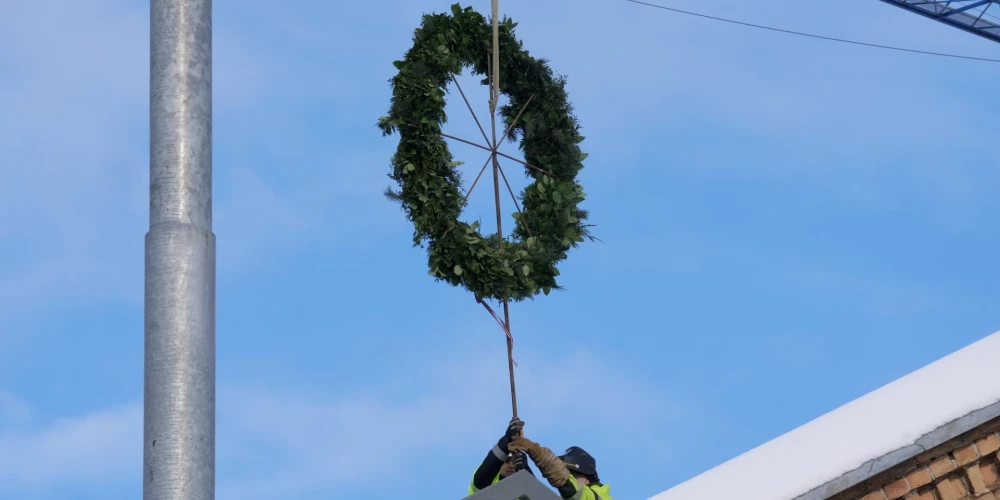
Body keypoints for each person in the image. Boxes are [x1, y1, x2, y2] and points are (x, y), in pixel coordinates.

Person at [509, 435, 614, 500]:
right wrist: (524, 471)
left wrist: (536, 451)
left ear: (586, 478)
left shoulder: (601, 498)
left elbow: (569, 485)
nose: (569, 477)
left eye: (572, 475)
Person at [467, 418, 535, 495]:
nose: (511, 466)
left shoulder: (522, 488)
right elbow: (485, 474)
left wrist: (526, 470)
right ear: (499, 463)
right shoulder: (485, 481)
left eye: (515, 461)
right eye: (507, 461)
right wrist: (507, 440)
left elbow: (539, 496)